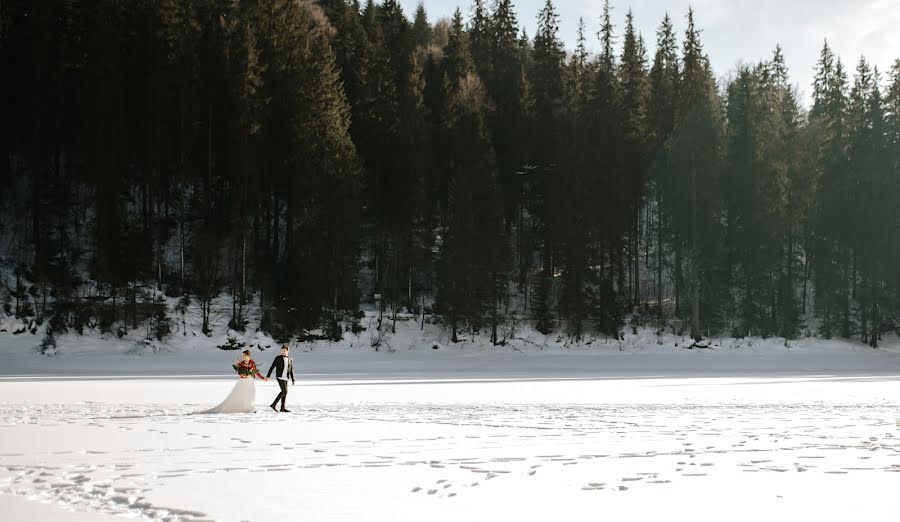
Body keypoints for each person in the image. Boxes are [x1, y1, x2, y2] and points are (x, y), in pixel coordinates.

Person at [198, 350, 268, 414]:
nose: (243, 357)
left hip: (249, 381)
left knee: (250, 394)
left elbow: (255, 372)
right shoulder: (241, 363)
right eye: (242, 355)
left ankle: (250, 408)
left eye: (244, 355)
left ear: (248, 356)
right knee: (242, 394)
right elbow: (239, 372)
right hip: (243, 381)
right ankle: (243, 408)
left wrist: (262, 378)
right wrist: (242, 376)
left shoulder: (252, 363)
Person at [266, 345, 295, 413]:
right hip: (280, 376)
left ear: (287, 351)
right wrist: (268, 376)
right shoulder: (278, 358)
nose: (283, 352)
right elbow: (272, 367)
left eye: (284, 351)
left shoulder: (290, 359)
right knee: (284, 391)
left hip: (286, 377)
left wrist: (293, 379)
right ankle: (274, 404)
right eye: (282, 351)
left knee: (285, 392)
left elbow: (291, 370)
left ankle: (282, 408)